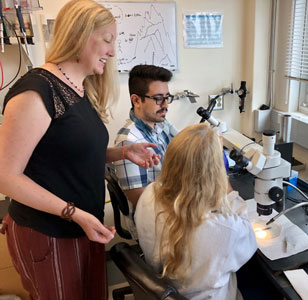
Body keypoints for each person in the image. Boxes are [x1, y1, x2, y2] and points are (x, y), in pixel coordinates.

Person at [0, 1, 159, 299]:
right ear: (80, 34)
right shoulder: (37, 91)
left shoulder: (78, 87)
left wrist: (122, 152)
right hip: (50, 233)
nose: (112, 52)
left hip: (83, 226)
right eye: (108, 40)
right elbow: (6, 177)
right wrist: (74, 214)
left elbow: (68, 151)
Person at [135, 123, 258, 300]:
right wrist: (225, 185)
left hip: (165, 288)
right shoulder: (225, 229)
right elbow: (248, 236)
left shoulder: (149, 194)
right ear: (214, 173)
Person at [114, 64, 178, 237]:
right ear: (136, 100)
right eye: (158, 98)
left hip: (172, 202)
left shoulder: (161, 123)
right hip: (154, 223)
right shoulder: (128, 141)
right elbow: (143, 203)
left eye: (167, 97)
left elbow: (182, 149)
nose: (165, 105)